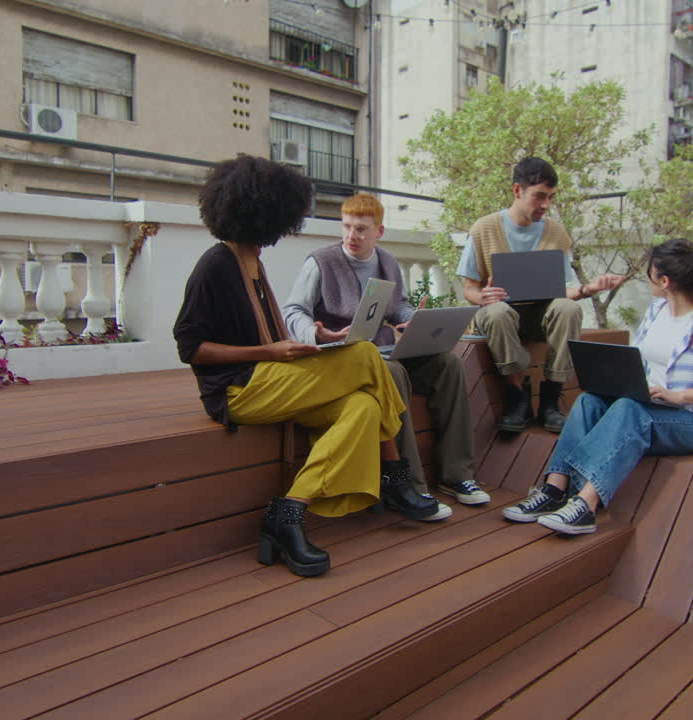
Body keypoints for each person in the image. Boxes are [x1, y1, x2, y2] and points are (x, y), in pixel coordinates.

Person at [173, 155, 434, 578]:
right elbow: (191, 348)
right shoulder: (215, 265)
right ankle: (395, 475)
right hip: (238, 391)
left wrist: (313, 341)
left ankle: (289, 512)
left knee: (364, 408)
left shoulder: (251, 262)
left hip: (271, 378)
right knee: (367, 355)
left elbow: (276, 340)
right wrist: (269, 352)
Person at [501, 238, 693, 535]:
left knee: (630, 410)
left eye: (650, 275)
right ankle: (553, 490)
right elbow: (639, 360)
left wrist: (678, 395)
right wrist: (620, 381)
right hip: (649, 404)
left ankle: (585, 505)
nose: (647, 281)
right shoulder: (656, 311)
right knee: (589, 400)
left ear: (664, 280)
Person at [283, 193, 490, 517]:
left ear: (379, 231)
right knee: (393, 373)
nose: (353, 235)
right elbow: (293, 311)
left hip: (384, 353)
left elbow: (398, 307)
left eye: (362, 229)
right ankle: (412, 487)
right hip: (342, 361)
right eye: (348, 227)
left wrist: (410, 320)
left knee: (448, 364)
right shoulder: (320, 262)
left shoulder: (388, 262)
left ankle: (457, 475)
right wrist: (316, 333)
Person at [456, 157, 624, 434]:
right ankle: (517, 395)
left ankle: (551, 398)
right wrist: (482, 296)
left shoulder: (556, 232)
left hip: (540, 316)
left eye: (551, 198)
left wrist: (586, 290)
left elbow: (561, 292)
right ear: (517, 191)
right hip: (499, 314)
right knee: (498, 313)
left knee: (568, 308)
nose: (545, 205)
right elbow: (468, 288)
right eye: (540, 197)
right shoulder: (483, 229)